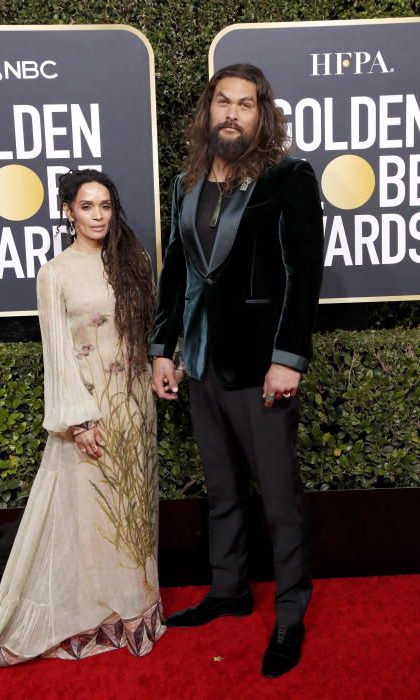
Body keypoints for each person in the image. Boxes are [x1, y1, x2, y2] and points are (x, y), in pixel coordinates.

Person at [0, 169, 166, 673]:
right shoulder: (56, 272)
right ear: (68, 210)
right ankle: (98, 611)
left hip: (135, 405)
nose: (98, 215)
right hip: (91, 412)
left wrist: (164, 367)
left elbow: (149, 332)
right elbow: (59, 355)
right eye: (87, 206)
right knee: (94, 515)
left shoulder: (132, 262)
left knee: (134, 508)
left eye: (105, 206)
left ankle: (136, 609)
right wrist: (78, 420)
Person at [150, 64, 324, 678]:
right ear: (208, 111)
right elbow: (178, 273)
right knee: (222, 491)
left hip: (260, 366)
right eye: (222, 101)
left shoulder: (288, 177)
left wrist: (287, 358)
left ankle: (291, 611)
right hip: (200, 364)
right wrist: (162, 349)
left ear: (261, 115)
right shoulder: (187, 183)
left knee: (278, 498)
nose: (232, 113)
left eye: (245, 104)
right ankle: (229, 588)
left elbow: (304, 277)